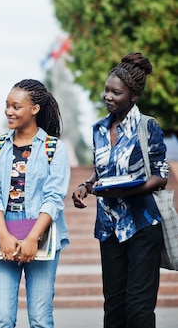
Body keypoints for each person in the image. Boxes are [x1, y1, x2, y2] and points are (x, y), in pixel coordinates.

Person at [72, 53, 168, 328]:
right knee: (113, 309)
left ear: (134, 95)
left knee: (138, 310)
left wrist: (125, 192)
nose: (107, 96)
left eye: (116, 92)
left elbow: (160, 176)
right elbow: (103, 169)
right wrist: (86, 186)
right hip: (109, 227)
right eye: (106, 90)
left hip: (142, 225)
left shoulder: (147, 126)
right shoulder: (99, 129)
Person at [0, 79, 70, 328]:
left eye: (16, 106)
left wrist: (32, 238)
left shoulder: (54, 149)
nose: (9, 111)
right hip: (3, 227)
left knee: (40, 318)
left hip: (41, 229)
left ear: (34, 109)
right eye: (7, 105)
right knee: (3, 318)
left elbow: (53, 198)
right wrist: (4, 234)